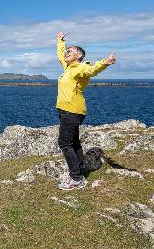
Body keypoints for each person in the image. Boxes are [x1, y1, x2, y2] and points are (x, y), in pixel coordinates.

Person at [55, 32, 115, 190]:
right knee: (74, 143)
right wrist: (60, 40)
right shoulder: (68, 67)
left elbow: (92, 70)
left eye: (70, 51)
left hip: (72, 111)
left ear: (79, 55)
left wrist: (105, 62)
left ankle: (76, 178)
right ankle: (79, 170)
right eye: (67, 51)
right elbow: (61, 54)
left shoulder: (80, 68)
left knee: (65, 143)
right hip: (66, 110)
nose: (67, 52)